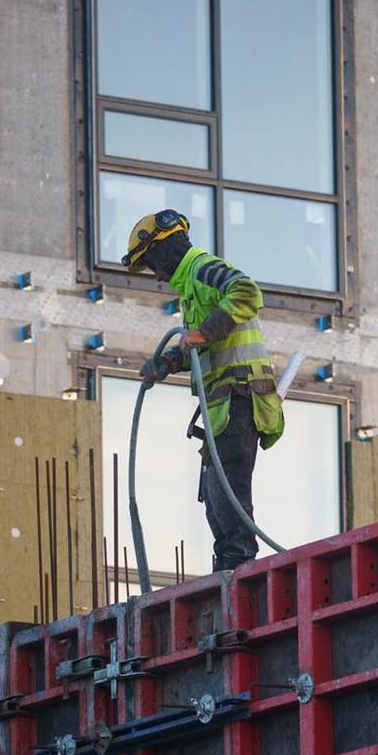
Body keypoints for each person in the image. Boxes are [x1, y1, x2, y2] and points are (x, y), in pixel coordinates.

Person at [124, 210, 285, 571]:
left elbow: (246, 291)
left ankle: (238, 561)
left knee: (227, 486)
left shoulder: (202, 268)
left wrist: (200, 333)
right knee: (215, 493)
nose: (159, 276)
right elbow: (196, 347)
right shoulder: (192, 291)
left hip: (241, 395)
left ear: (164, 250)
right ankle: (229, 561)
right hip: (223, 405)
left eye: (153, 265)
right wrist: (165, 363)